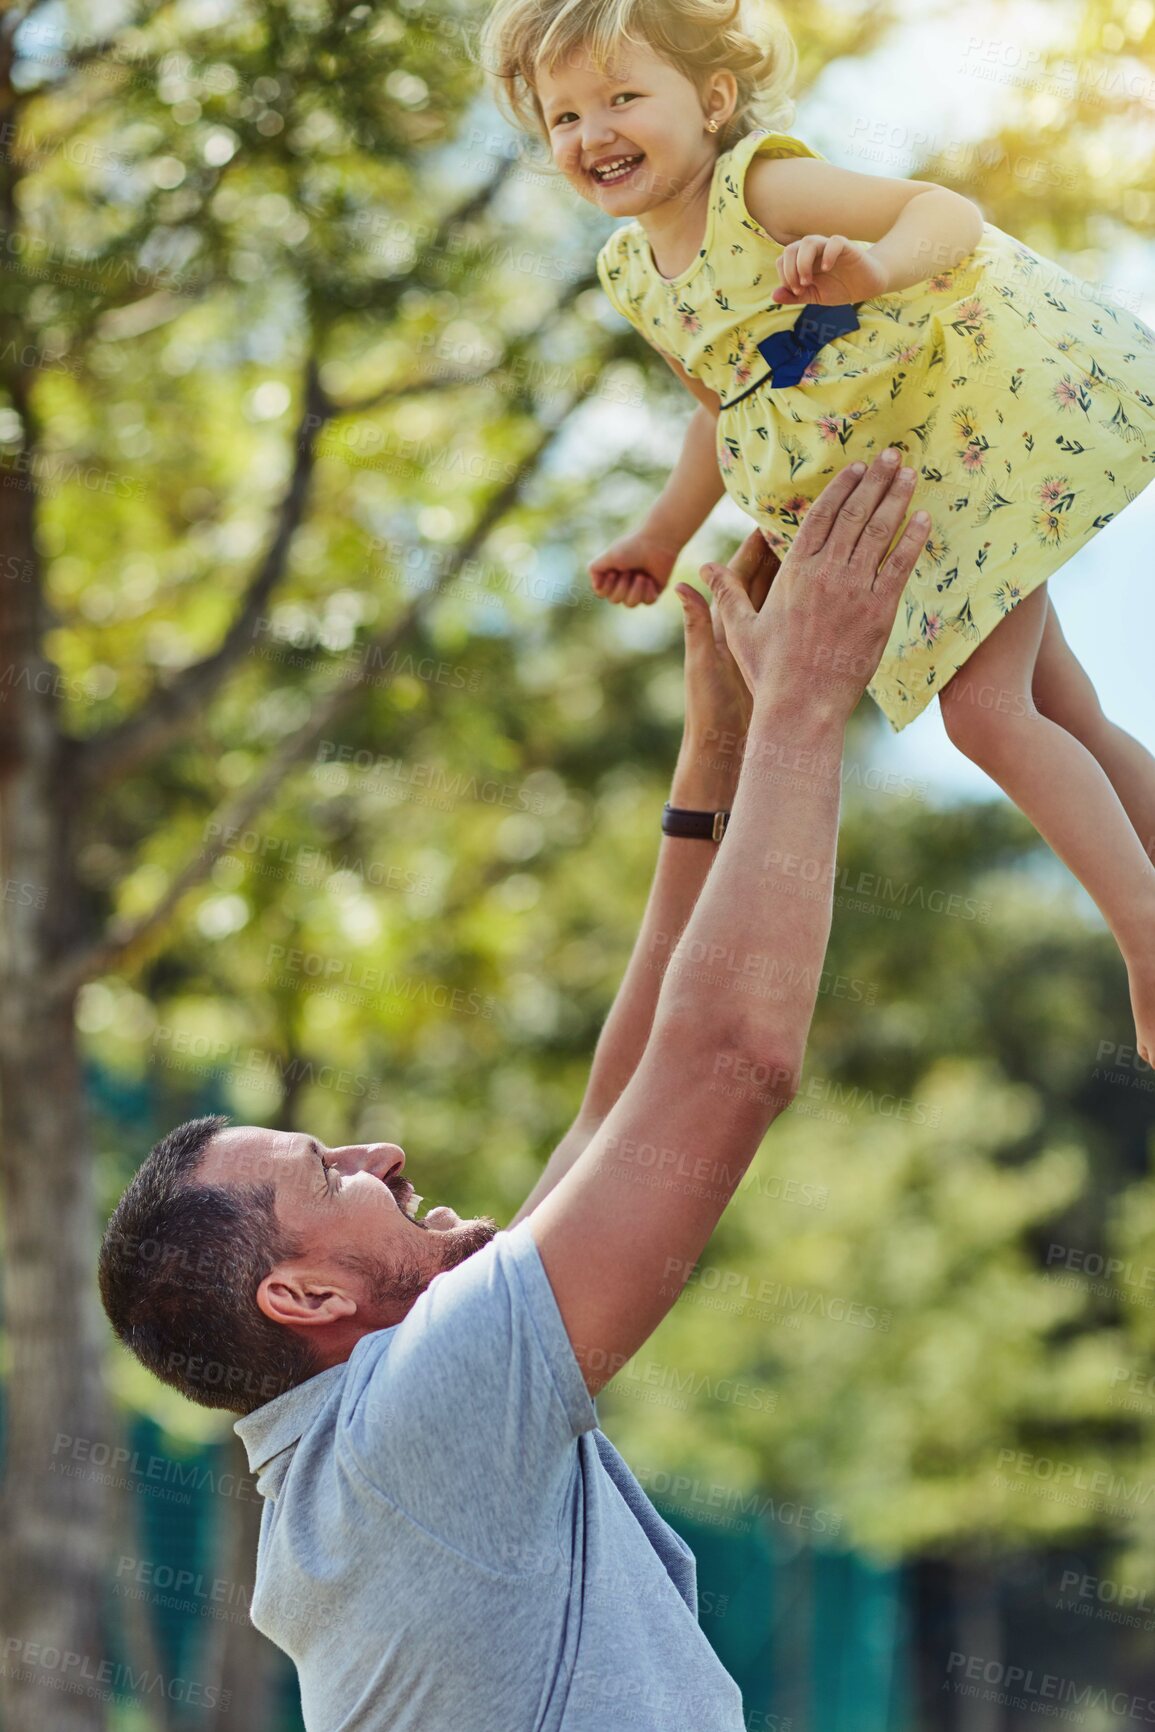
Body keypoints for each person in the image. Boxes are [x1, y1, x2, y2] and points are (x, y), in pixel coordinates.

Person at [99, 452, 929, 1731]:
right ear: (305, 1293)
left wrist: (717, 756)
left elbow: (615, 1115)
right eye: (331, 1172)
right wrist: (810, 701)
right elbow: (729, 1068)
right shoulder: (413, 1430)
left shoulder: (368, 1451)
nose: (380, 1152)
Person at [478, 0, 1155, 1063]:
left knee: (985, 714)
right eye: (563, 116)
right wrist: (660, 536)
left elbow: (946, 213)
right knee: (1062, 709)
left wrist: (876, 268)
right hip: (888, 498)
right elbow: (727, 407)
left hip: (951, 443)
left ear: (710, 100)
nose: (591, 132)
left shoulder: (761, 189)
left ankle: (1146, 935)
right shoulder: (629, 274)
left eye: (621, 97)